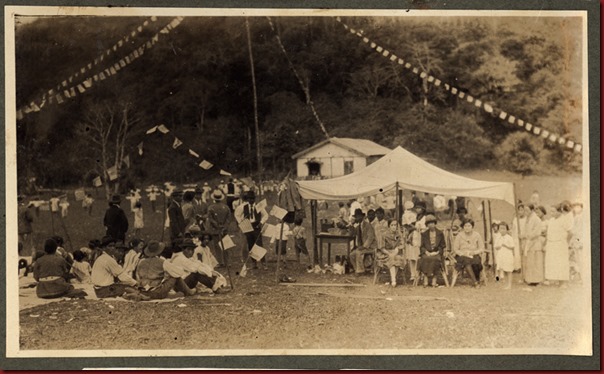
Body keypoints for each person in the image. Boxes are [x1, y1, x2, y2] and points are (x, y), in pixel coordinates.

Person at [544, 203, 572, 288]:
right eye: (551, 211)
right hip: (551, 244)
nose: (551, 213)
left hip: (560, 244)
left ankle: (564, 282)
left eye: (553, 211)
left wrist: (565, 242)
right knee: (553, 262)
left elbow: (570, 233)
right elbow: (548, 233)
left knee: (561, 262)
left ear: (560, 211)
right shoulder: (551, 220)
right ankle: (556, 280)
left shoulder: (564, 220)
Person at [451, 219, 485, 288]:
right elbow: (455, 249)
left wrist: (474, 252)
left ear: (472, 227)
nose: (467, 228)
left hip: (473, 254)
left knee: (477, 261)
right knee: (466, 261)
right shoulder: (459, 236)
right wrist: (462, 253)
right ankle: (475, 282)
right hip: (462, 256)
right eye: (465, 226)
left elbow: (482, 248)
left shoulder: (477, 235)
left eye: (469, 226)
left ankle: (477, 279)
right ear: (463, 227)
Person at [206, 189, 232, 267]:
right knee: (226, 245)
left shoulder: (211, 207)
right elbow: (228, 219)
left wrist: (217, 226)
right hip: (224, 230)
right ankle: (227, 262)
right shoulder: (226, 207)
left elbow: (210, 219)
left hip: (215, 230)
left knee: (217, 246)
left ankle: (220, 262)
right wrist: (224, 227)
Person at [419, 215, 445, 287]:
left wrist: (436, 252)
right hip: (427, 252)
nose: (431, 225)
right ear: (427, 225)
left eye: (433, 223)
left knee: (436, 259)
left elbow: (442, 245)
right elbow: (422, 246)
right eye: (429, 223)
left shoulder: (440, 233)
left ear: (435, 223)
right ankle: (426, 278)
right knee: (425, 258)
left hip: (436, 252)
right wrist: (426, 252)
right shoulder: (424, 234)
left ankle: (434, 278)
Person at [377, 220, 406, 287]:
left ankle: (393, 278)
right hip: (385, 253)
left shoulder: (398, 234)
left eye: (395, 225)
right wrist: (389, 253)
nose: (393, 227)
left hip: (395, 252)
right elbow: (381, 248)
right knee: (392, 257)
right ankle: (393, 280)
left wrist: (397, 249)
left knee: (398, 258)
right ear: (389, 226)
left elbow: (401, 244)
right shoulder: (384, 234)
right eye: (392, 225)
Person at [348, 209, 377, 275]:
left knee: (358, 252)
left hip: (371, 247)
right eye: (356, 217)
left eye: (358, 216)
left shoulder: (368, 225)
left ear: (362, 217)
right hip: (363, 247)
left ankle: (360, 271)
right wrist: (351, 224)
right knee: (351, 254)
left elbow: (370, 237)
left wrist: (364, 246)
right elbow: (352, 234)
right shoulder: (358, 226)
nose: (357, 218)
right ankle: (357, 269)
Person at [523, 204, 544, 285]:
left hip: (535, 242)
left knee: (536, 262)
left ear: (532, 210)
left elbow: (537, 232)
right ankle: (530, 279)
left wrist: (529, 236)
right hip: (529, 241)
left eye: (527, 210)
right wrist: (524, 236)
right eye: (525, 210)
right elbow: (526, 230)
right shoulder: (528, 219)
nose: (525, 212)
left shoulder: (536, 219)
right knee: (530, 262)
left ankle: (537, 280)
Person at [494, 222, 514, 289]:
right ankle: (499, 281)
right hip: (500, 255)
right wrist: (498, 247)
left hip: (507, 255)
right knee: (499, 268)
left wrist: (505, 245)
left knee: (508, 269)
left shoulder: (509, 237)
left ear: (507, 230)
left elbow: (512, 247)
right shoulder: (498, 237)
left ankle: (509, 284)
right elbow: (495, 246)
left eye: (504, 229)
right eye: (500, 228)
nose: (502, 230)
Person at [569, 201, 584, 283]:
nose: (575, 208)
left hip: (580, 240)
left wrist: (581, 242)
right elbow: (574, 231)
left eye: (577, 206)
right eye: (574, 206)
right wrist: (573, 241)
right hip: (577, 240)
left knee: (582, 259)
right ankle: (582, 277)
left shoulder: (582, 217)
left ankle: (584, 277)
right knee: (578, 260)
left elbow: (582, 231)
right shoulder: (576, 217)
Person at [511, 203, 527, 271]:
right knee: (517, 253)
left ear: (524, 210)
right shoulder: (515, 220)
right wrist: (513, 238)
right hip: (516, 238)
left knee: (524, 252)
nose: (520, 212)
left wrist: (523, 236)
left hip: (524, 238)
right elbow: (514, 230)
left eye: (522, 210)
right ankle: (518, 267)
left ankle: (524, 266)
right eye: (519, 210)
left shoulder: (526, 219)